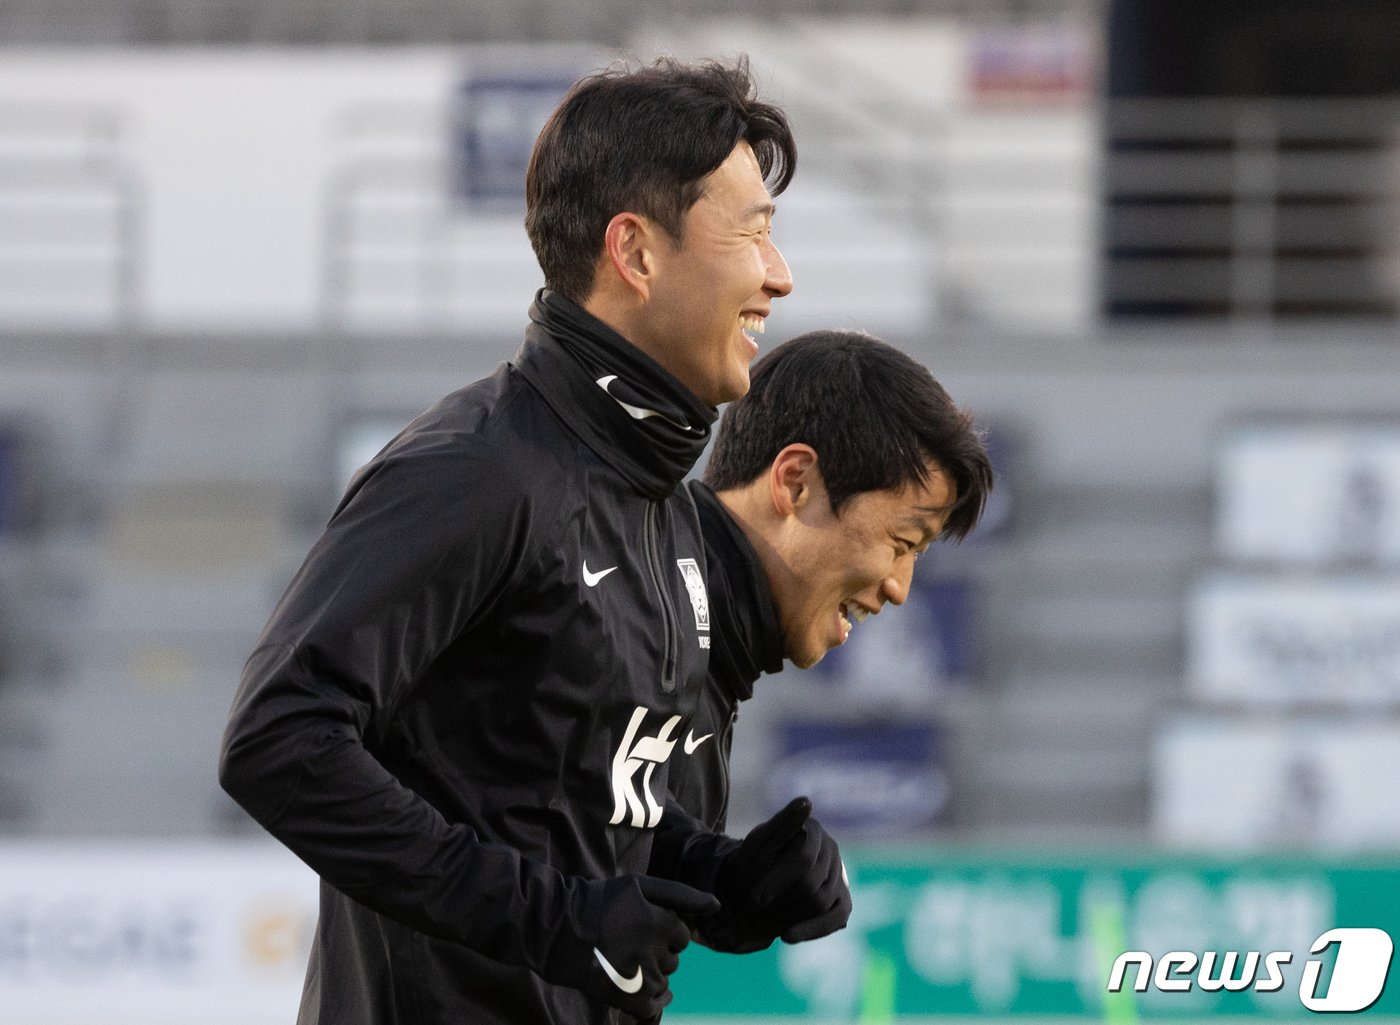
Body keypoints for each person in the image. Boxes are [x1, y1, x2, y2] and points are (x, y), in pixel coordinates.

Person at [218, 56, 815, 1025]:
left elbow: (547, 791)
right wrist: (547, 919)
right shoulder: (477, 470)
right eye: (751, 232)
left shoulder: (657, 500)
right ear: (635, 252)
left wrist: (715, 874)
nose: (778, 276)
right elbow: (276, 739)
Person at [658, 330, 993, 953]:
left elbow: (571, 834)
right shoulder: (628, 604)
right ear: (796, 482)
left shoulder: (701, 639)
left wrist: (722, 882)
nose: (898, 588)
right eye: (902, 541)